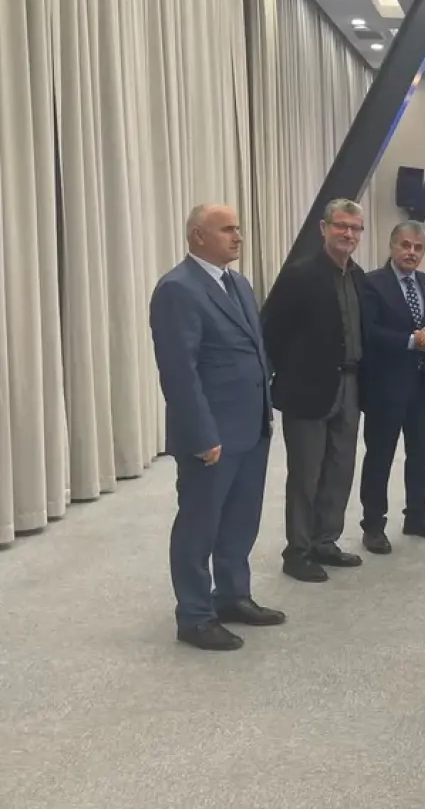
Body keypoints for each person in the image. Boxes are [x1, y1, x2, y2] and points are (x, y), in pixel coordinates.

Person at [150, 204, 283, 651]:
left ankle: (231, 596)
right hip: (211, 435)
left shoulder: (238, 283)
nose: (237, 236)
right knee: (199, 525)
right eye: (227, 229)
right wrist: (201, 434)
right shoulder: (177, 289)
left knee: (240, 520)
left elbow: (254, 350)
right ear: (197, 236)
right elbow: (179, 372)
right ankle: (194, 615)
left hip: (251, 426)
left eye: (238, 229)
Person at [261, 198, 366, 583]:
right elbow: (271, 333)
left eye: (355, 228)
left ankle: (326, 541)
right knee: (306, 475)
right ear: (324, 228)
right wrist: (289, 374)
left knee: (340, 469)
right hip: (307, 390)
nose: (348, 233)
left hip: (349, 387)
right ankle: (298, 551)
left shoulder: (359, 277)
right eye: (341, 225)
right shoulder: (298, 276)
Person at [357, 221, 425, 555]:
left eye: (418, 247)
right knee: (380, 456)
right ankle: (373, 525)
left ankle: (417, 515)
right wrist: (412, 341)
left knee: (420, 453)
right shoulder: (372, 283)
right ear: (392, 246)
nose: (412, 252)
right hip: (385, 386)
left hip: (422, 385)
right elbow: (369, 331)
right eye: (406, 245)